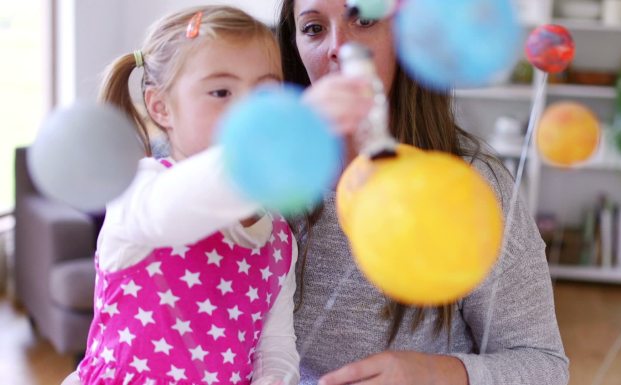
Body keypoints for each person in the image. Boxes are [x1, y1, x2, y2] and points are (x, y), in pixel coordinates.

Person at [58, 5, 368, 385]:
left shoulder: (279, 238)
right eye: (221, 92)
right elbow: (169, 213)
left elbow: (276, 350)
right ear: (161, 108)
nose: (247, 113)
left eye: (264, 94)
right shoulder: (138, 189)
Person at [276, 1, 571, 384]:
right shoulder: (260, 184)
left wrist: (438, 374)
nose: (338, 46)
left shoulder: (474, 186)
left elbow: (545, 366)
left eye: (364, 19)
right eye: (314, 28)